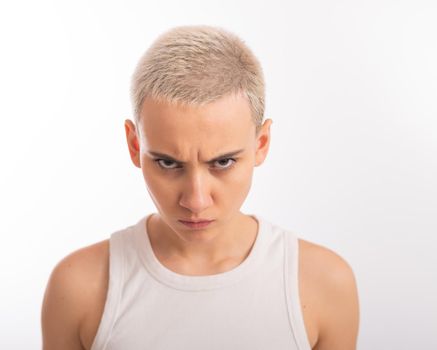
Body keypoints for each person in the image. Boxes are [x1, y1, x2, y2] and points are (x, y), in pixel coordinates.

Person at [41, 25, 359, 350]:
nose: (195, 200)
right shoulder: (79, 288)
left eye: (222, 163)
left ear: (261, 144)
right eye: (168, 163)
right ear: (134, 145)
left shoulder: (324, 284)